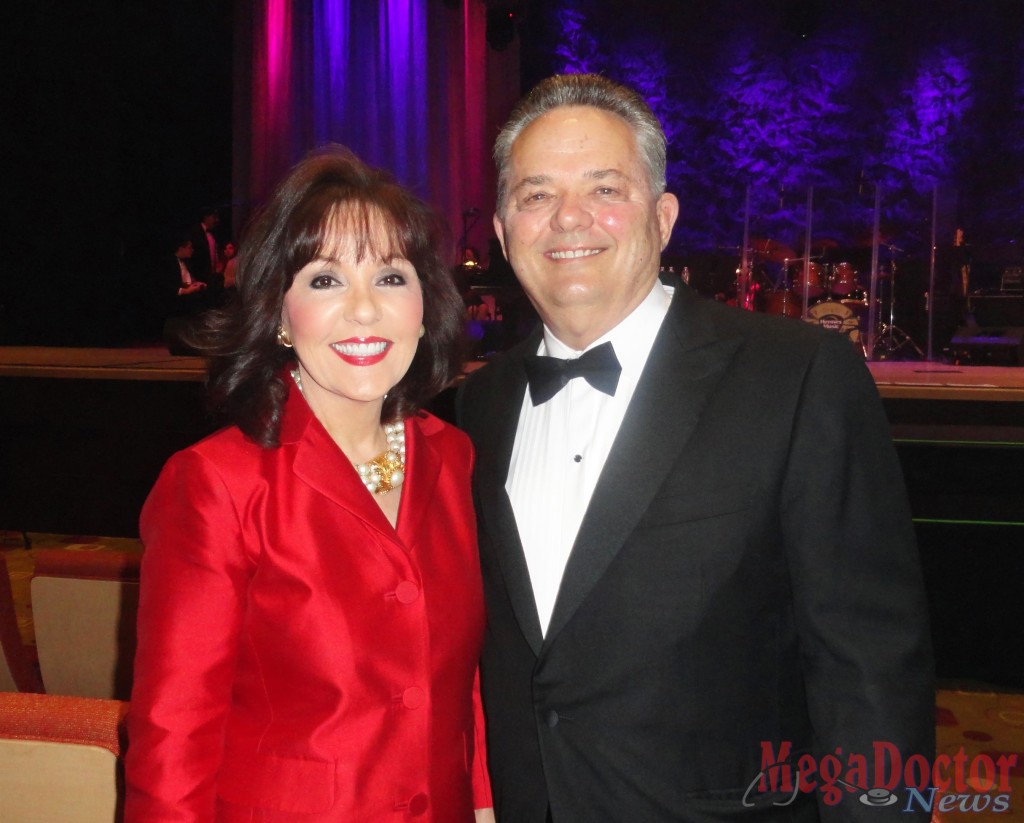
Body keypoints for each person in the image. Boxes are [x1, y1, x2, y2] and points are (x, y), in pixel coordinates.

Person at [456, 74, 934, 822]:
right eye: (535, 194)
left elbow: (869, 666)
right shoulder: (478, 405)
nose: (568, 218)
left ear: (663, 216)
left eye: (604, 188)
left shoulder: (797, 375)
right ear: (502, 225)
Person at [126, 146, 494, 822]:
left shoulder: (458, 460)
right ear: (278, 314)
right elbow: (172, 740)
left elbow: (464, 682)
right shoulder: (216, 484)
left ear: (425, 303)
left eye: (391, 276)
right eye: (325, 281)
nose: (363, 311)